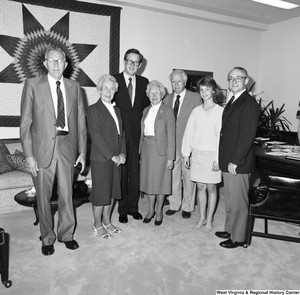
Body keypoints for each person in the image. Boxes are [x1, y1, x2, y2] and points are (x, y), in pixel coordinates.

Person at [20, 47, 87, 256]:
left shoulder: (74, 87)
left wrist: (83, 152)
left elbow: (81, 122)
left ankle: (66, 235)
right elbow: (25, 125)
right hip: (42, 149)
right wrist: (29, 156)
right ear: (45, 63)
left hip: (67, 146)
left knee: (68, 195)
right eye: (53, 61)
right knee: (43, 197)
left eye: (61, 61)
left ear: (66, 64)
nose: (57, 65)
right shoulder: (32, 85)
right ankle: (47, 238)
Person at [215, 67, 260, 249]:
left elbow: (247, 136)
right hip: (228, 159)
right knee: (230, 198)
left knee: (239, 201)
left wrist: (235, 161)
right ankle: (230, 228)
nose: (233, 82)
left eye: (238, 78)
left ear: (246, 81)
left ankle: (239, 236)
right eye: (230, 78)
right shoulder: (233, 100)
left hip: (237, 162)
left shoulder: (248, 103)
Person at [113, 48, 150, 224]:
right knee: (121, 173)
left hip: (137, 135)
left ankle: (133, 208)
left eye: (136, 62)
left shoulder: (144, 82)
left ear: (140, 65)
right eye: (130, 61)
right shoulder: (114, 80)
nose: (133, 65)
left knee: (135, 173)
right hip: (119, 135)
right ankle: (122, 209)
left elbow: (147, 109)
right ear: (124, 61)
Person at [182, 76, 223, 232]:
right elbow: (189, 133)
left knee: (211, 188)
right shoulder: (196, 111)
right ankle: (202, 217)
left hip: (212, 155)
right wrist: (186, 153)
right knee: (200, 187)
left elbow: (221, 137)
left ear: (213, 91)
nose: (204, 92)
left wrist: (218, 158)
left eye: (207, 89)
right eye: (202, 90)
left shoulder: (220, 112)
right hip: (197, 154)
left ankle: (210, 219)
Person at [87, 74, 126, 239]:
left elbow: (121, 135)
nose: (109, 91)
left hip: (116, 158)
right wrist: (112, 156)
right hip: (101, 159)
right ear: (99, 90)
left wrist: (123, 153)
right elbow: (96, 136)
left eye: (112, 88)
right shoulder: (93, 109)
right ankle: (97, 225)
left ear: (115, 90)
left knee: (111, 192)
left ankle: (107, 222)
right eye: (105, 88)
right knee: (100, 194)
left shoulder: (117, 110)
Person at [163, 69, 201, 219]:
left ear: (185, 82)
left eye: (179, 81)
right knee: (173, 177)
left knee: (189, 177)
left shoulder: (196, 98)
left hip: (188, 145)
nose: (176, 84)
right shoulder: (166, 99)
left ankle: (187, 206)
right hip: (171, 145)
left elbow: (199, 123)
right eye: (173, 81)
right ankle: (174, 204)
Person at [139, 80, 176, 226]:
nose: (154, 95)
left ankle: (159, 211)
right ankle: (150, 210)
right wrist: (140, 152)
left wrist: (170, 158)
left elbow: (171, 135)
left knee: (161, 183)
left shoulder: (167, 111)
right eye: (151, 92)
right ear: (148, 94)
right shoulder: (145, 110)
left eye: (157, 92)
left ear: (162, 94)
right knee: (149, 183)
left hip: (161, 152)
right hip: (147, 150)